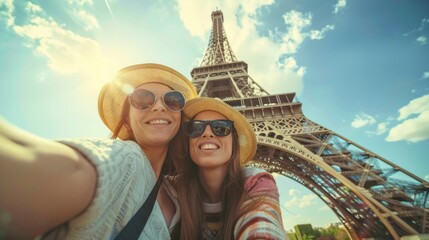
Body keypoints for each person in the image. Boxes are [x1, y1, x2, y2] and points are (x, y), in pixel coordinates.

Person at [0, 63, 197, 239]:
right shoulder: (128, 158)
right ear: (127, 122)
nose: (159, 107)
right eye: (143, 99)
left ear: (179, 119)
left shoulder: (174, 193)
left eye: (173, 100)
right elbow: (76, 169)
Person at [165, 97, 287, 240]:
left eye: (221, 127)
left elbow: (262, 223)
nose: (207, 133)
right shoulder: (171, 189)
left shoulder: (256, 181)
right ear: (188, 141)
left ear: (234, 141)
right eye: (196, 127)